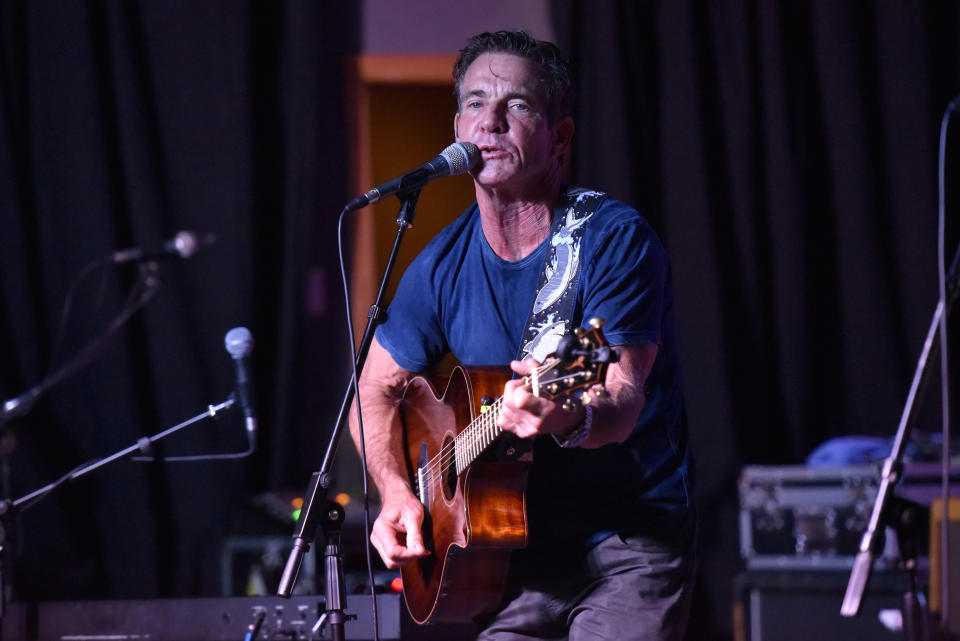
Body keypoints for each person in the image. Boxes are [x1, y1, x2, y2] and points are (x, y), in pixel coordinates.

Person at [349, 30, 695, 641]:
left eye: (518, 106)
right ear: (457, 125)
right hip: (506, 562)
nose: (492, 121)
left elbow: (618, 398)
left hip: (626, 545)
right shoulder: (440, 263)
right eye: (477, 103)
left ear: (559, 138)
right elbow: (370, 393)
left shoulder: (611, 240)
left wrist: (560, 415)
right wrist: (399, 491)